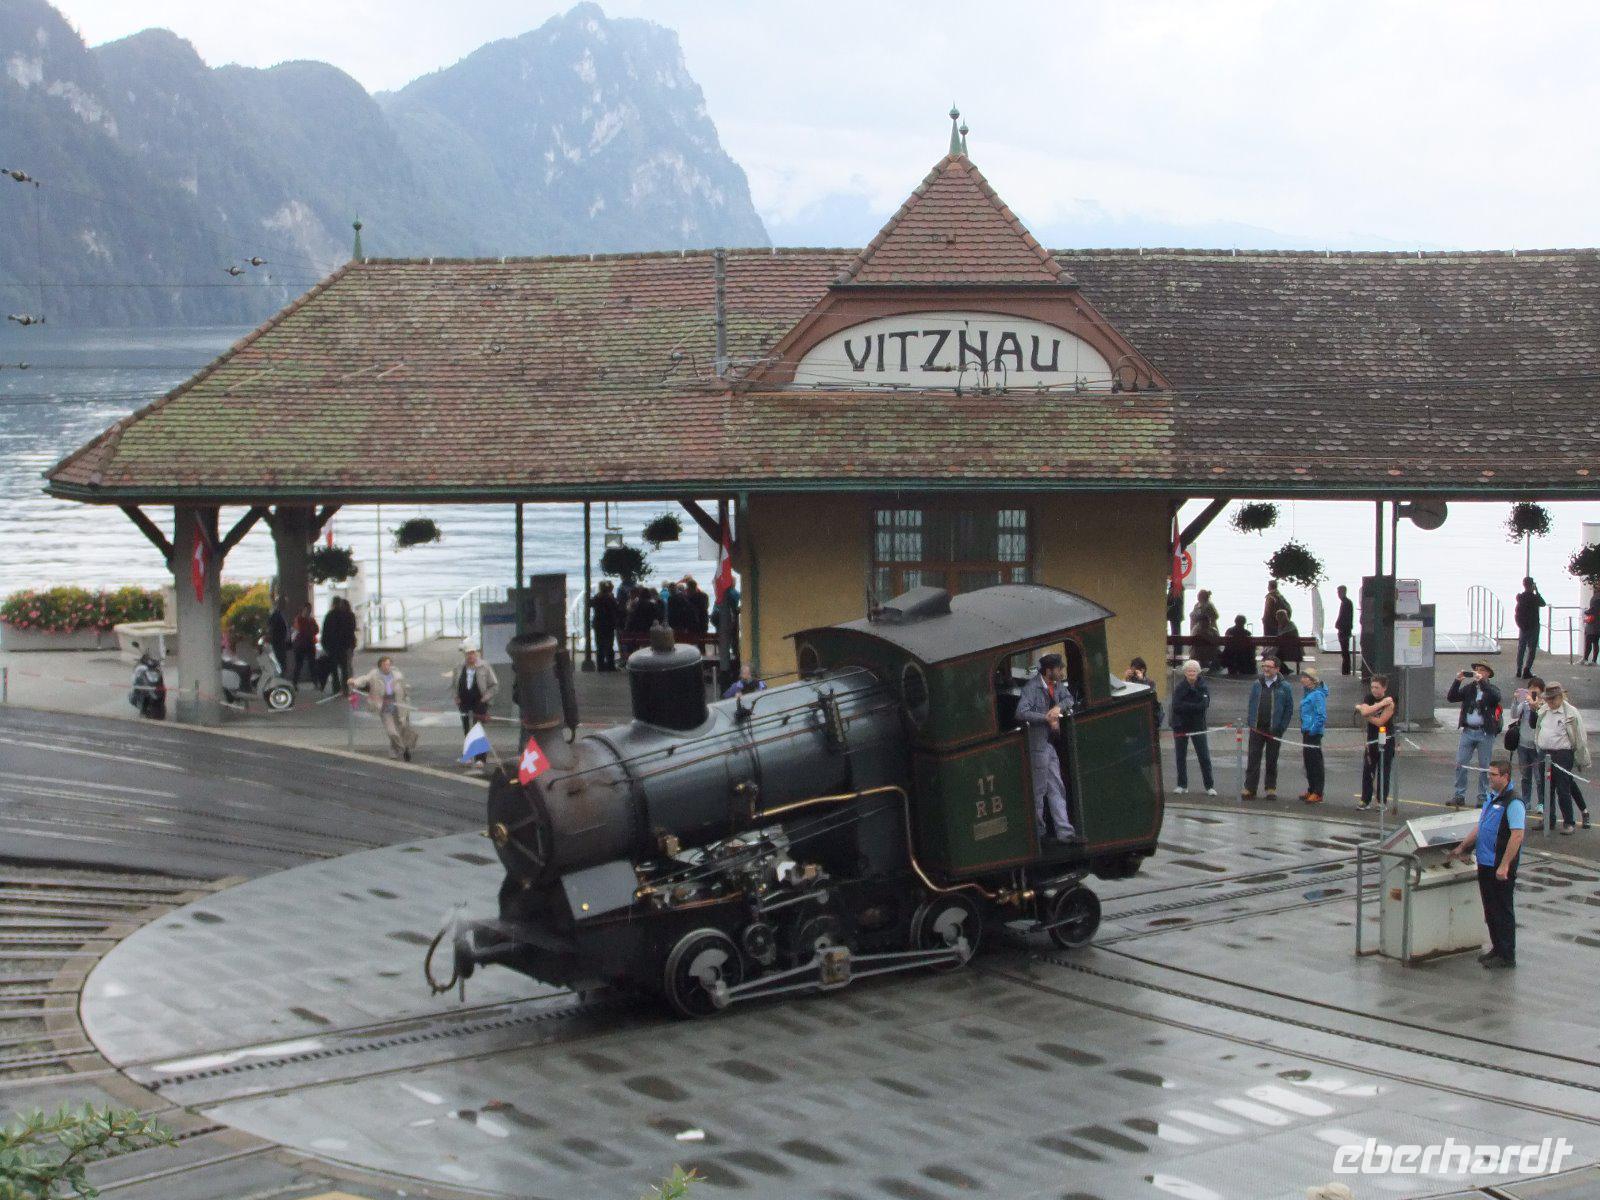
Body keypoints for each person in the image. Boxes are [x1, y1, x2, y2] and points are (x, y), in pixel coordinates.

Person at [1448, 759, 1524, 969]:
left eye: (1494, 775)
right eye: (1489, 774)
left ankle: (1507, 955)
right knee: (1490, 909)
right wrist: (1463, 847)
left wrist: (1505, 865)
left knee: (1503, 909)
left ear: (1505, 776)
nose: (1489, 778)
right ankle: (1497, 948)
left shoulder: (1513, 802)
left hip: (1499, 864)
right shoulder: (1493, 798)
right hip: (1485, 862)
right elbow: (1481, 826)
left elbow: (1517, 835)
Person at [1015, 653, 1078, 844]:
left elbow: (1069, 699)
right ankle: (1039, 832)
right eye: (1059, 669)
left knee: (1056, 787)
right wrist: (1045, 718)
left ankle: (1065, 832)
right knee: (1039, 790)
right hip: (1038, 745)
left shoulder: (1057, 686)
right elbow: (1021, 712)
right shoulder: (1032, 688)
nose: (1061, 672)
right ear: (1049, 670)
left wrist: (1058, 708)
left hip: (1049, 745)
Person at [1534, 682, 1591, 834]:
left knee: (1563, 789)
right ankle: (1549, 819)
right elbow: (1538, 728)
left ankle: (1569, 822)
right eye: (1548, 699)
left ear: (1560, 697)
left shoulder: (1571, 713)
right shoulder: (1544, 710)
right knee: (1547, 789)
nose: (1550, 702)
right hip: (1545, 753)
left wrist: (1581, 757)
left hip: (1563, 754)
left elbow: (1580, 737)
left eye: (1552, 699)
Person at [1446, 661, 1502, 808]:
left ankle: (1482, 797)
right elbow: (1451, 697)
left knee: (1484, 766)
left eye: (1482, 670)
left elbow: (1494, 698)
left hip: (1485, 733)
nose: (1478, 672)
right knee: (1461, 762)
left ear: (1488, 673)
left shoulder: (1492, 689)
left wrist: (1482, 683)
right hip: (1468, 731)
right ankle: (1459, 795)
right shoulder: (1470, 688)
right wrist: (1457, 680)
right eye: (1476, 670)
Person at [350, 655, 418, 762]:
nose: (387, 666)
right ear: (380, 665)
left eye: (389, 664)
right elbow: (364, 679)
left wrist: (406, 698)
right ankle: (403, 748)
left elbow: (403, 688)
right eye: (385, 664)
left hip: (398, 704)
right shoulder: (374, 674)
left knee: (402, 727)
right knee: (392, 731)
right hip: (384, 706)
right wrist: (354, 682)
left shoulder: (397, 674)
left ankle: (394, 749)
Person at [1242, 656, 1292, 800]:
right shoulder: (1257, 684)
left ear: (1277, 669)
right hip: (1257, 728)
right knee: (1253, 758)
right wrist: (1251, 722)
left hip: (1274, 729)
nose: (1266, 669)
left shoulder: (1285, 687)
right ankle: (1250, 788)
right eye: (1264, 666)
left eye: (1269, 667)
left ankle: (1270, 788)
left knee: (1272, 759)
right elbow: (1251, 704)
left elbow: (1289, 709)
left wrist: (1281, 727)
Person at [1169, 659, 1216, 795]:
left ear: (1198, 672)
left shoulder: (1203, 686)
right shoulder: (1180, 687)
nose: (1191, 673)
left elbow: (1205, 704)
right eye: (1189, 671)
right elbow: (1177, 706)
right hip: (1180, 725)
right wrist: (1194, 706)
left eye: (1194, 671)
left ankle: (1209, 786)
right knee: (1180, 756)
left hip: (1198, 725)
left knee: (1204, 756)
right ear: (1185, 672)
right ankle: (1182, 784)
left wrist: (1189, 706)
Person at [452, 643, 499, 766]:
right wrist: (456, 696)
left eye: (472, 653)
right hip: (464, 702)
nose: (470, 656)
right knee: (467, 729)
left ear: (476, 653)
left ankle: (480, 758)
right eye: (468, 653)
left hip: (480, 701)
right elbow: (453, 685)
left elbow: (494, 685)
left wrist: (485, 698)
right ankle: (467, 755)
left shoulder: (484, 666)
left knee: (478, 729)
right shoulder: (459, 667)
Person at [1356, 675, 1397, 810]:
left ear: (1384, 688)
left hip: (1386, 739)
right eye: (1372, 687)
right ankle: (1365, 800)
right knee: (1368, 769)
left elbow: (1380, 721)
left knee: (1383, 771)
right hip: (1371, 739)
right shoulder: (1369, 698)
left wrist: (1367, 714)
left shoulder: (1391, 701)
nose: (1374, 690)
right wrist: (1379, 705)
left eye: (1377, 687)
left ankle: (1381, 801)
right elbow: (1365, 710)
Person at [1508, 677, 1546, 820]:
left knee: (1539, 777)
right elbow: (1514, 715)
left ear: (1541, 692)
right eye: (1531, 689)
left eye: (1536, 690)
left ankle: (1541, 803)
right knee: (1525, 776)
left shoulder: (1543, 705)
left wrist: (1535, 706)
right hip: (1523, 744)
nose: (1533, 692)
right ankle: (1526, 801)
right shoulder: (1524, 703)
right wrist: (1517, 700)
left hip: (1537, 746)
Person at [1298, 667, 1327, 804]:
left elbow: (1321, 715)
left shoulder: (1317, 694)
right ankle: (1311, 788)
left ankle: (1318, 791)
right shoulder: (1308, 693)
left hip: (1313, 732)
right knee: (1308, 761)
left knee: (1315, 762)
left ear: (1312, 680)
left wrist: (1313, 729)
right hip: (1306, 730)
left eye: (1305, 677)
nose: (1302, 679)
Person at [321, 596, 357, 694]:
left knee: (334, 669)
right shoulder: (345, 615)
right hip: (342, 646)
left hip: (332, 646)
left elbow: (325, 631)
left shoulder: (329, 615)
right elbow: (349, 631)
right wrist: (349, 644)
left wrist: (324, 645)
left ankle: (336, 688)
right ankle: (345, 688)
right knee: (344, 668)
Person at [1514, 577, 1546, 678]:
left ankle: (1519, 669)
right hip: (1534, 626)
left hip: (1523, 626)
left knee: (1521, 648)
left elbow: (1517, 612)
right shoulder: (1535, 597)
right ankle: (1527, 670)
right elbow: (1543, 603)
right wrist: (1537, 591)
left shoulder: (1520, 597)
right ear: (1532, 585)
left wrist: (1520, 624)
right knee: (1532, 649)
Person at [589, 581, 620, 671]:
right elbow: (615, 609)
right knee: (609, 645)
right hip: (608, 624)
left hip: (598, 624)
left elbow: (591, 604)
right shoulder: (610, 598)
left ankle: (600, 665)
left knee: (599, 645)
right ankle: (610, 665)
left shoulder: (597, 597)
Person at [290, 603, 319, 685]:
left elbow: (316, 630)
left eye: (309, 610)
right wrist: (310, 631)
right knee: (299, 664)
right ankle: (295, 682)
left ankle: (315, 682)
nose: (308, 612)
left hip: (309, 644)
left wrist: (310, 631)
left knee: (312, 664)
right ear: (303, 610)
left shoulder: (311, 620)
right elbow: (302, 630)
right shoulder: (299, 619)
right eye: (307, 610)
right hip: (301, 645)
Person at [1334, 584, 1355, 675]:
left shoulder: (1346, 603)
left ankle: (1346, 670)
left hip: (1344, 630)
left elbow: (1344, 617)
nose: (1338, 594)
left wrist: (1339, 625)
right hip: (1344, 629)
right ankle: (1345, 670)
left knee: (1345, 651)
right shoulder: (1346, 602)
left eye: (1339, 592)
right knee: (1344, 651)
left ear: (1343, 592)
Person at [267, 603, 291, 676]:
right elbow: (272, 628)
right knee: (280, 662)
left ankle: (282, 677)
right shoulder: (276, 616)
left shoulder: (280, 615)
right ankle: (281, 679)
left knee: (282, 662)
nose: (286, 605)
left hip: (281, 642)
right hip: (278, 643)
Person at [1584, 593, 1600, 666]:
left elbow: (1590, 610)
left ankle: (1585, 658)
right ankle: (1594, 660)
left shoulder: (1596, 599)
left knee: (1588, 642)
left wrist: (1586, 611)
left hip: (1592, 624)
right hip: (1598, 626)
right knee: (1596, 643)